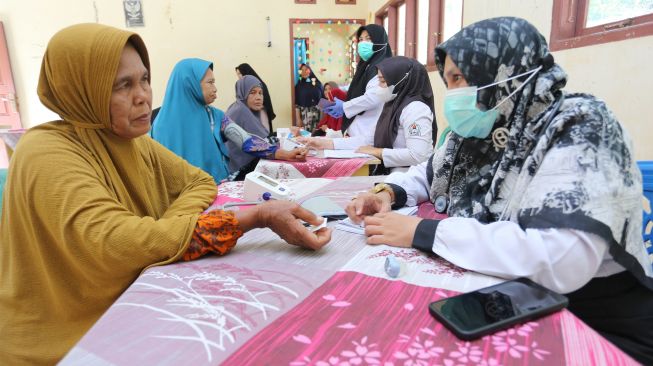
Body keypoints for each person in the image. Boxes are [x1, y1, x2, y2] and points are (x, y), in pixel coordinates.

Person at [0, 23, 331, 365]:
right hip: (67, 338)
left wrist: (169, 224)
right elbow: (118, 243)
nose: (143, 95)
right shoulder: (46, 152)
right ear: (81, 89)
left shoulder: (134, 141)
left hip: (133, 298)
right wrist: (255, 216)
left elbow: (200, 182)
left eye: (144, 79)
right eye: (122, 85)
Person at [345, 17, 653, 363]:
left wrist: (424, 231)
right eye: (448, 82)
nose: (454, 94)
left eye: (459, 78)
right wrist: (387, 192)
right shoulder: (484, 126)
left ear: (505, 72)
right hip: (516, 300)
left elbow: (562, 260)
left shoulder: (581, 128)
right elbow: (429, 174)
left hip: (599, 324)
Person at [298, 24, 392, 151]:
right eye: (361, 40)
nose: (363, 43)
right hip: (357, 136)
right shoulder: (365, 68)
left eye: (368, 39)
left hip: (371, 136)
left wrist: (344, 107)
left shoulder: (383, 68)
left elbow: (373, 97)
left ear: (380, 41)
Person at [151, 58, 230, 183]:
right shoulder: (159, 127)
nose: (215, 89)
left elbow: (245, 140)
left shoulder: (214, 115)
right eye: (210, 82)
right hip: (181, 199)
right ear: (191, 83)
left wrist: (271, 151)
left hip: (215, 193)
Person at [355, 56, 435, 173]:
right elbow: (368, 140)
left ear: (401, 80)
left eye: (382, 81)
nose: (379, 86)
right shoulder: (392, 105)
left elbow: (417, 155)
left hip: (410, 178)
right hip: (393, 173)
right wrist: (329, 144)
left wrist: (377, 152)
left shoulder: (415, 109)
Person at [226, 75, 307, 180]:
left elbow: (263, 140)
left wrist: (293, 142)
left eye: (260, 93)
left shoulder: (249, 111)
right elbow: (257, 144)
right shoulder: (239, 111)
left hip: (246, 165)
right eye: (252, 92)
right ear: (243, 93)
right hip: (236, 173)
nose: (259, 97)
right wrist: (289, 151)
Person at [235, 63, 276, 133]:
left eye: (240, 73)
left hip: (260, 116)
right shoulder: (243, 86)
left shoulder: (258, 85)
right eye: (237, 74)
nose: (238, 76)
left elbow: (264, 106)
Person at [294, 63, 323, 131]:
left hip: (318, 115)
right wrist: (298, 119)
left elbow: (323, 101)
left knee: (318, 136)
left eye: (306, 69)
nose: (304, 72)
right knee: (307, 137)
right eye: (302, 70)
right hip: (305, 116)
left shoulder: (318, 84)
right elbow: (297, 104)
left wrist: (323, 118)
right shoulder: (299, 86)